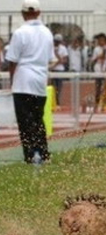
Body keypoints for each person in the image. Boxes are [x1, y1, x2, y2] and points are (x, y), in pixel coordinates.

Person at [5, 0, 55, 163]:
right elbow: (50, 59)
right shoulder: (47, 33)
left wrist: (13, 82)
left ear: (23, 13)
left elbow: (12, 61)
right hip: (40, 81)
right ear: (39, 12)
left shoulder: (20, 32)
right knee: (38, 119)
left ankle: (29, 154)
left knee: (25, 121)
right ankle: (44, 152)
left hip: (23, 81)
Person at [50, 33, 68, 106]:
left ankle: (57, 102)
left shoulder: (63, 48)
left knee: (59, 87)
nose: (57, 43)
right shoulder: (50, 47)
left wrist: (57, 57)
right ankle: (52, 101)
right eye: (56, 41)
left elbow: (65, 60)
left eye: (58, 41)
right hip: (52, 69)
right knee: (52, 87)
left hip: (60, 70)